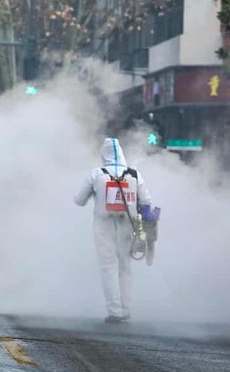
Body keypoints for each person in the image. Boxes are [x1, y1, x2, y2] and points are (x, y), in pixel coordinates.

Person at [74, 137, 151, 324]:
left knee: (108, 267)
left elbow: (79, 200)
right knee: (125, 266)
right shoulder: (134, 174)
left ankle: (114, 311)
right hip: (128, 226)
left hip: (103, 226)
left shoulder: (96, 174)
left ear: (103, 155)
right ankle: (126, 309)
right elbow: (147, 203)